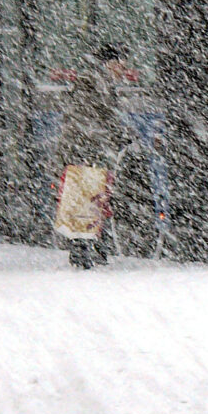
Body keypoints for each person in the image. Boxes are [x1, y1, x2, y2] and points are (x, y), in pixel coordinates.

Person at [56, 43, 135, 268]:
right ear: (108, 63)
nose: (123, 69)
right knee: (86, 203)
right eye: (120, 63)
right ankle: (84, 253)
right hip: (84, 153)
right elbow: (88, 119)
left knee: (93, 202)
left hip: (90, 152)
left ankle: (94, 250)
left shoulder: (102, 83)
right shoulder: (91, 83)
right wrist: (115, 135)